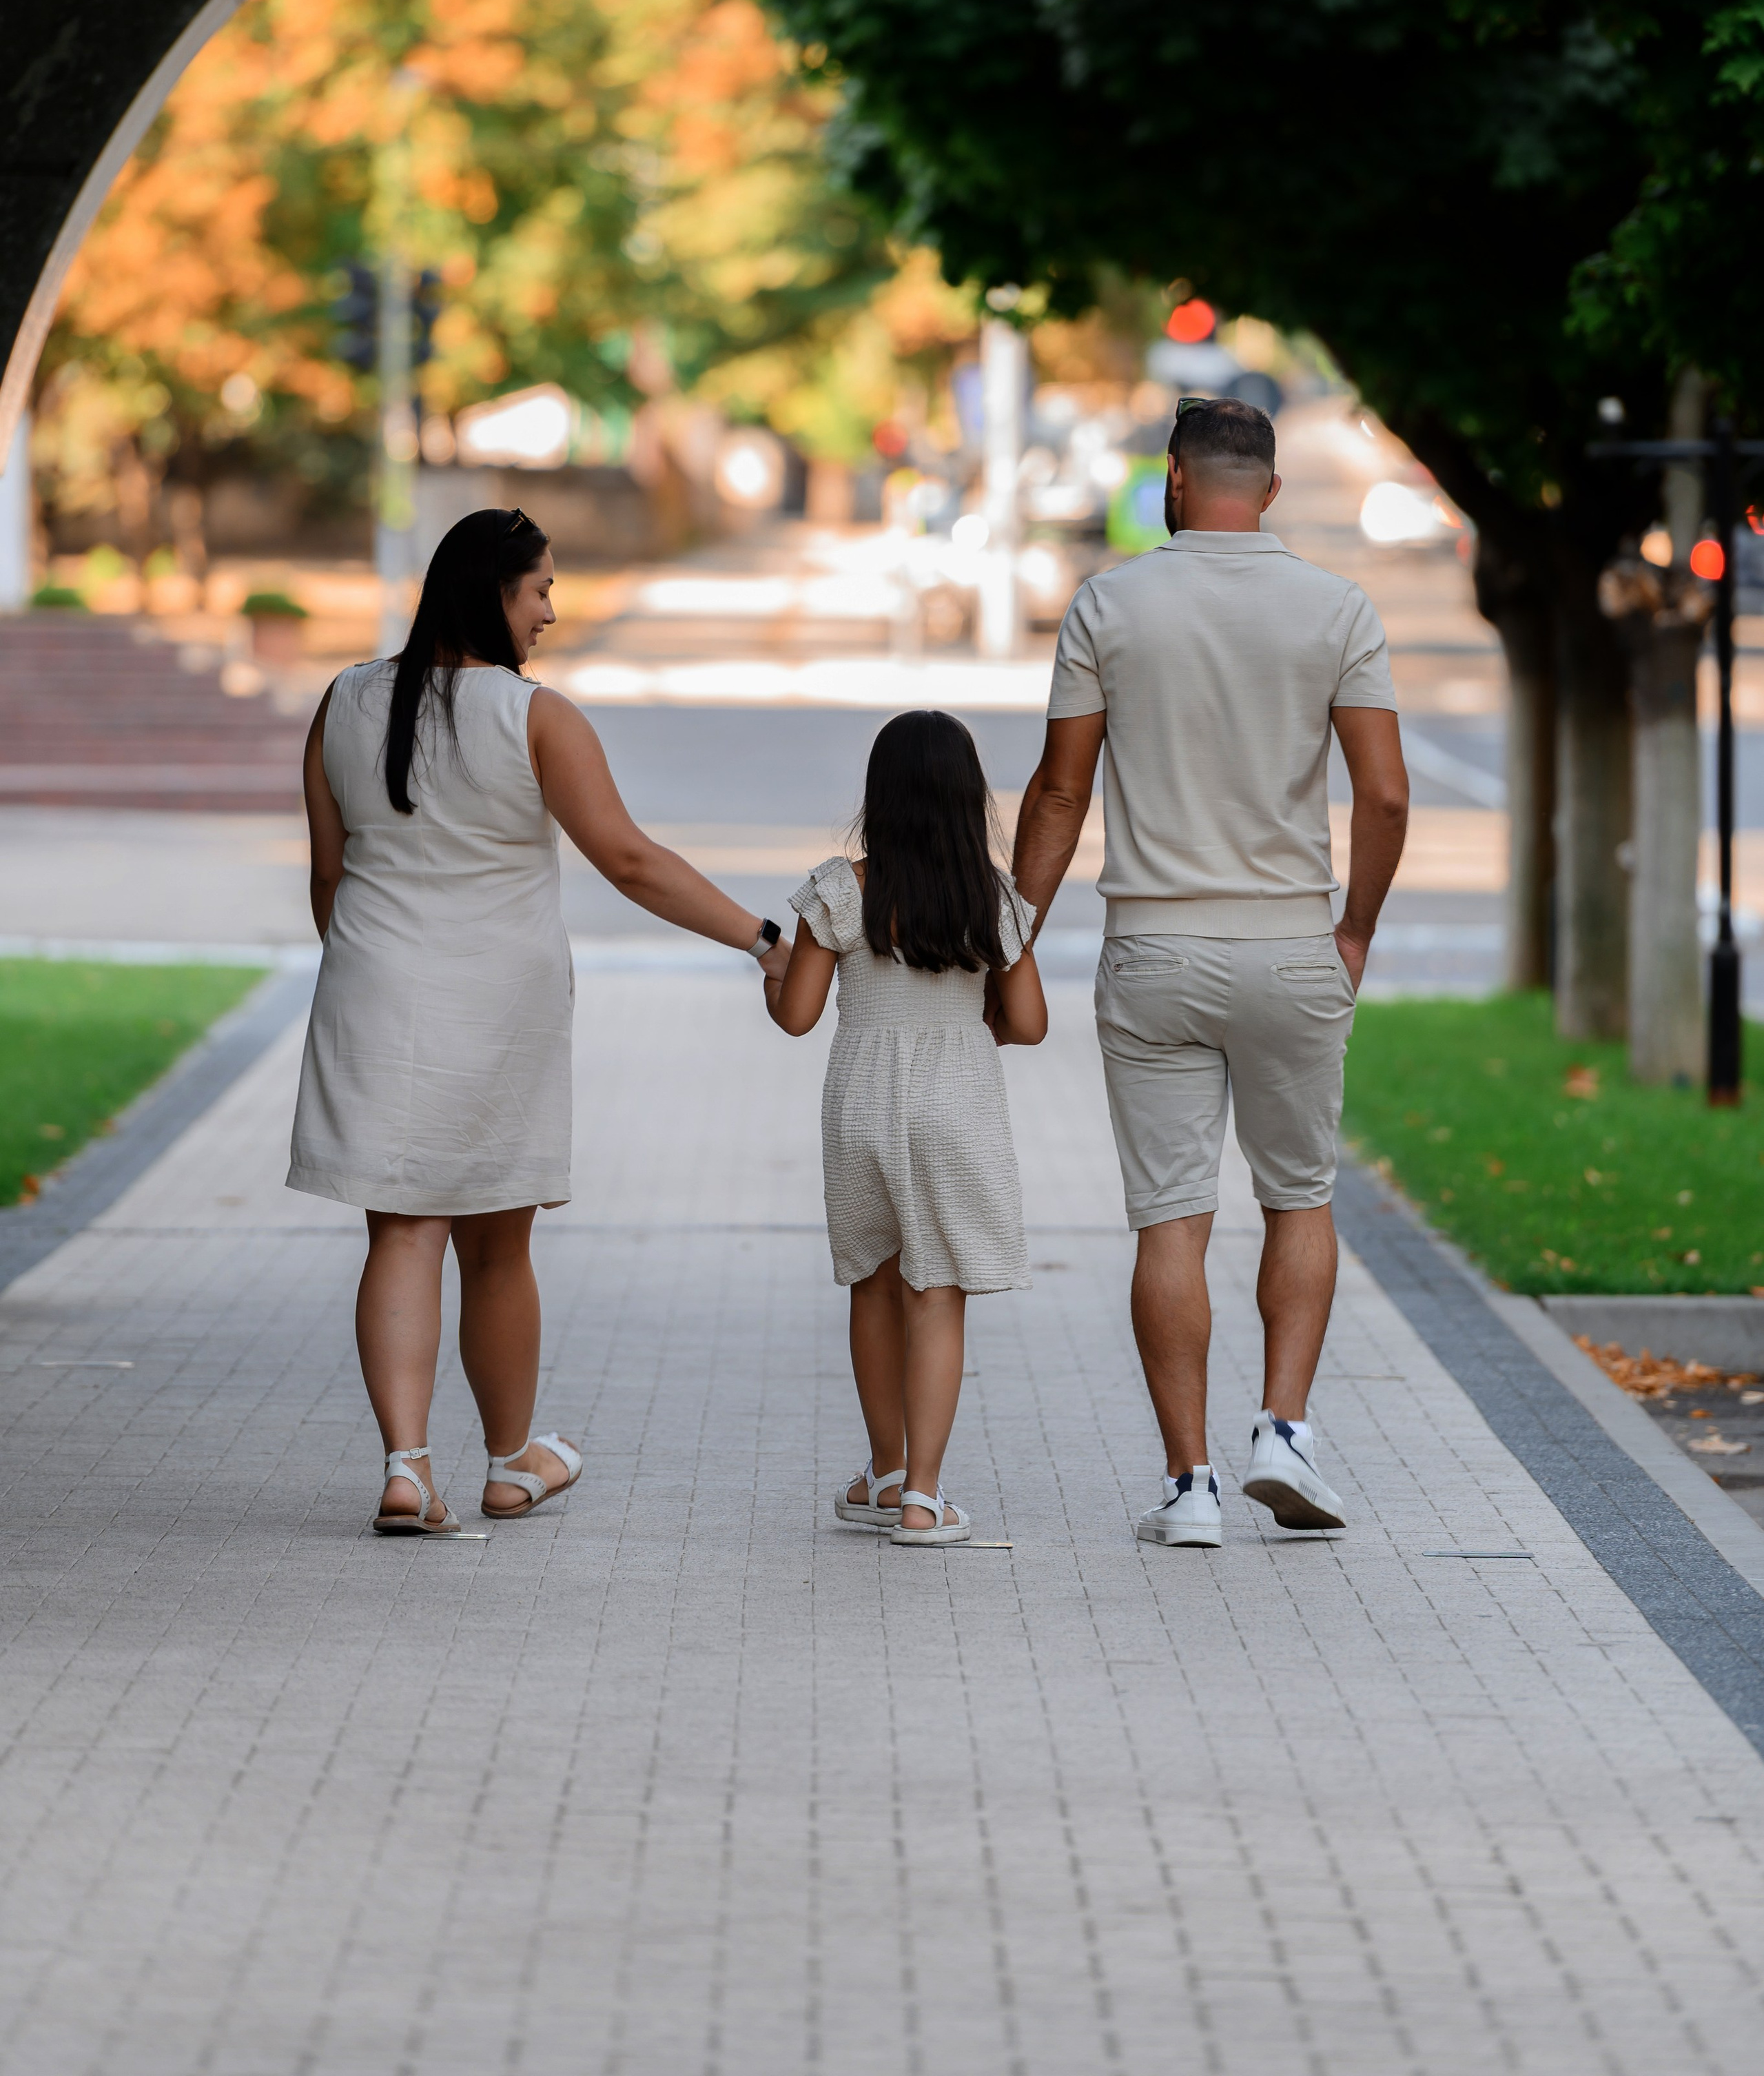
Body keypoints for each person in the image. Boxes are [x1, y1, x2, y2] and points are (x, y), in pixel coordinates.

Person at [288, 507, 790, 1536]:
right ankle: (512, 1463)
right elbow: (632, 861)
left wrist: (374, 966)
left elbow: (329, 879)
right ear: (494, 596)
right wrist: (761, 939)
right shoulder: (535, 716)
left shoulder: (344, 701)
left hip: (372, 990)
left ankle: (406, 1465)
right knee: (497, 1244)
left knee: (403, 1226)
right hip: (498, 1001)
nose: (552, 613)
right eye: (541, 591)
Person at [1012, 398, 1408, 1547]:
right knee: (1300, 1192)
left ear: (1173, 481)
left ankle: (1190, 1489)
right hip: (1291, 942)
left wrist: (1013, 940)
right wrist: (1357, 928)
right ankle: (1283, 1429)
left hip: (1155, 950)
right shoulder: (1337, 607)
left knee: (1171, 1222)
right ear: (1271, 490)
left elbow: (1057, 791)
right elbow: (1383, 793)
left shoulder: (1109, 603)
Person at [766, 711, 1047, 1546]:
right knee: (938, 1289)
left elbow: (797, 1017)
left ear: (878, 794)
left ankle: (885, 1472)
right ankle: (923, 1495)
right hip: (957, 1093)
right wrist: (972, 1022)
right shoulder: (990, 896)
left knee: (873, 1279)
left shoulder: (838, 887)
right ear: (969, 799)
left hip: (860, 1093)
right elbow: (1029, 1023)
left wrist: (772, 972)